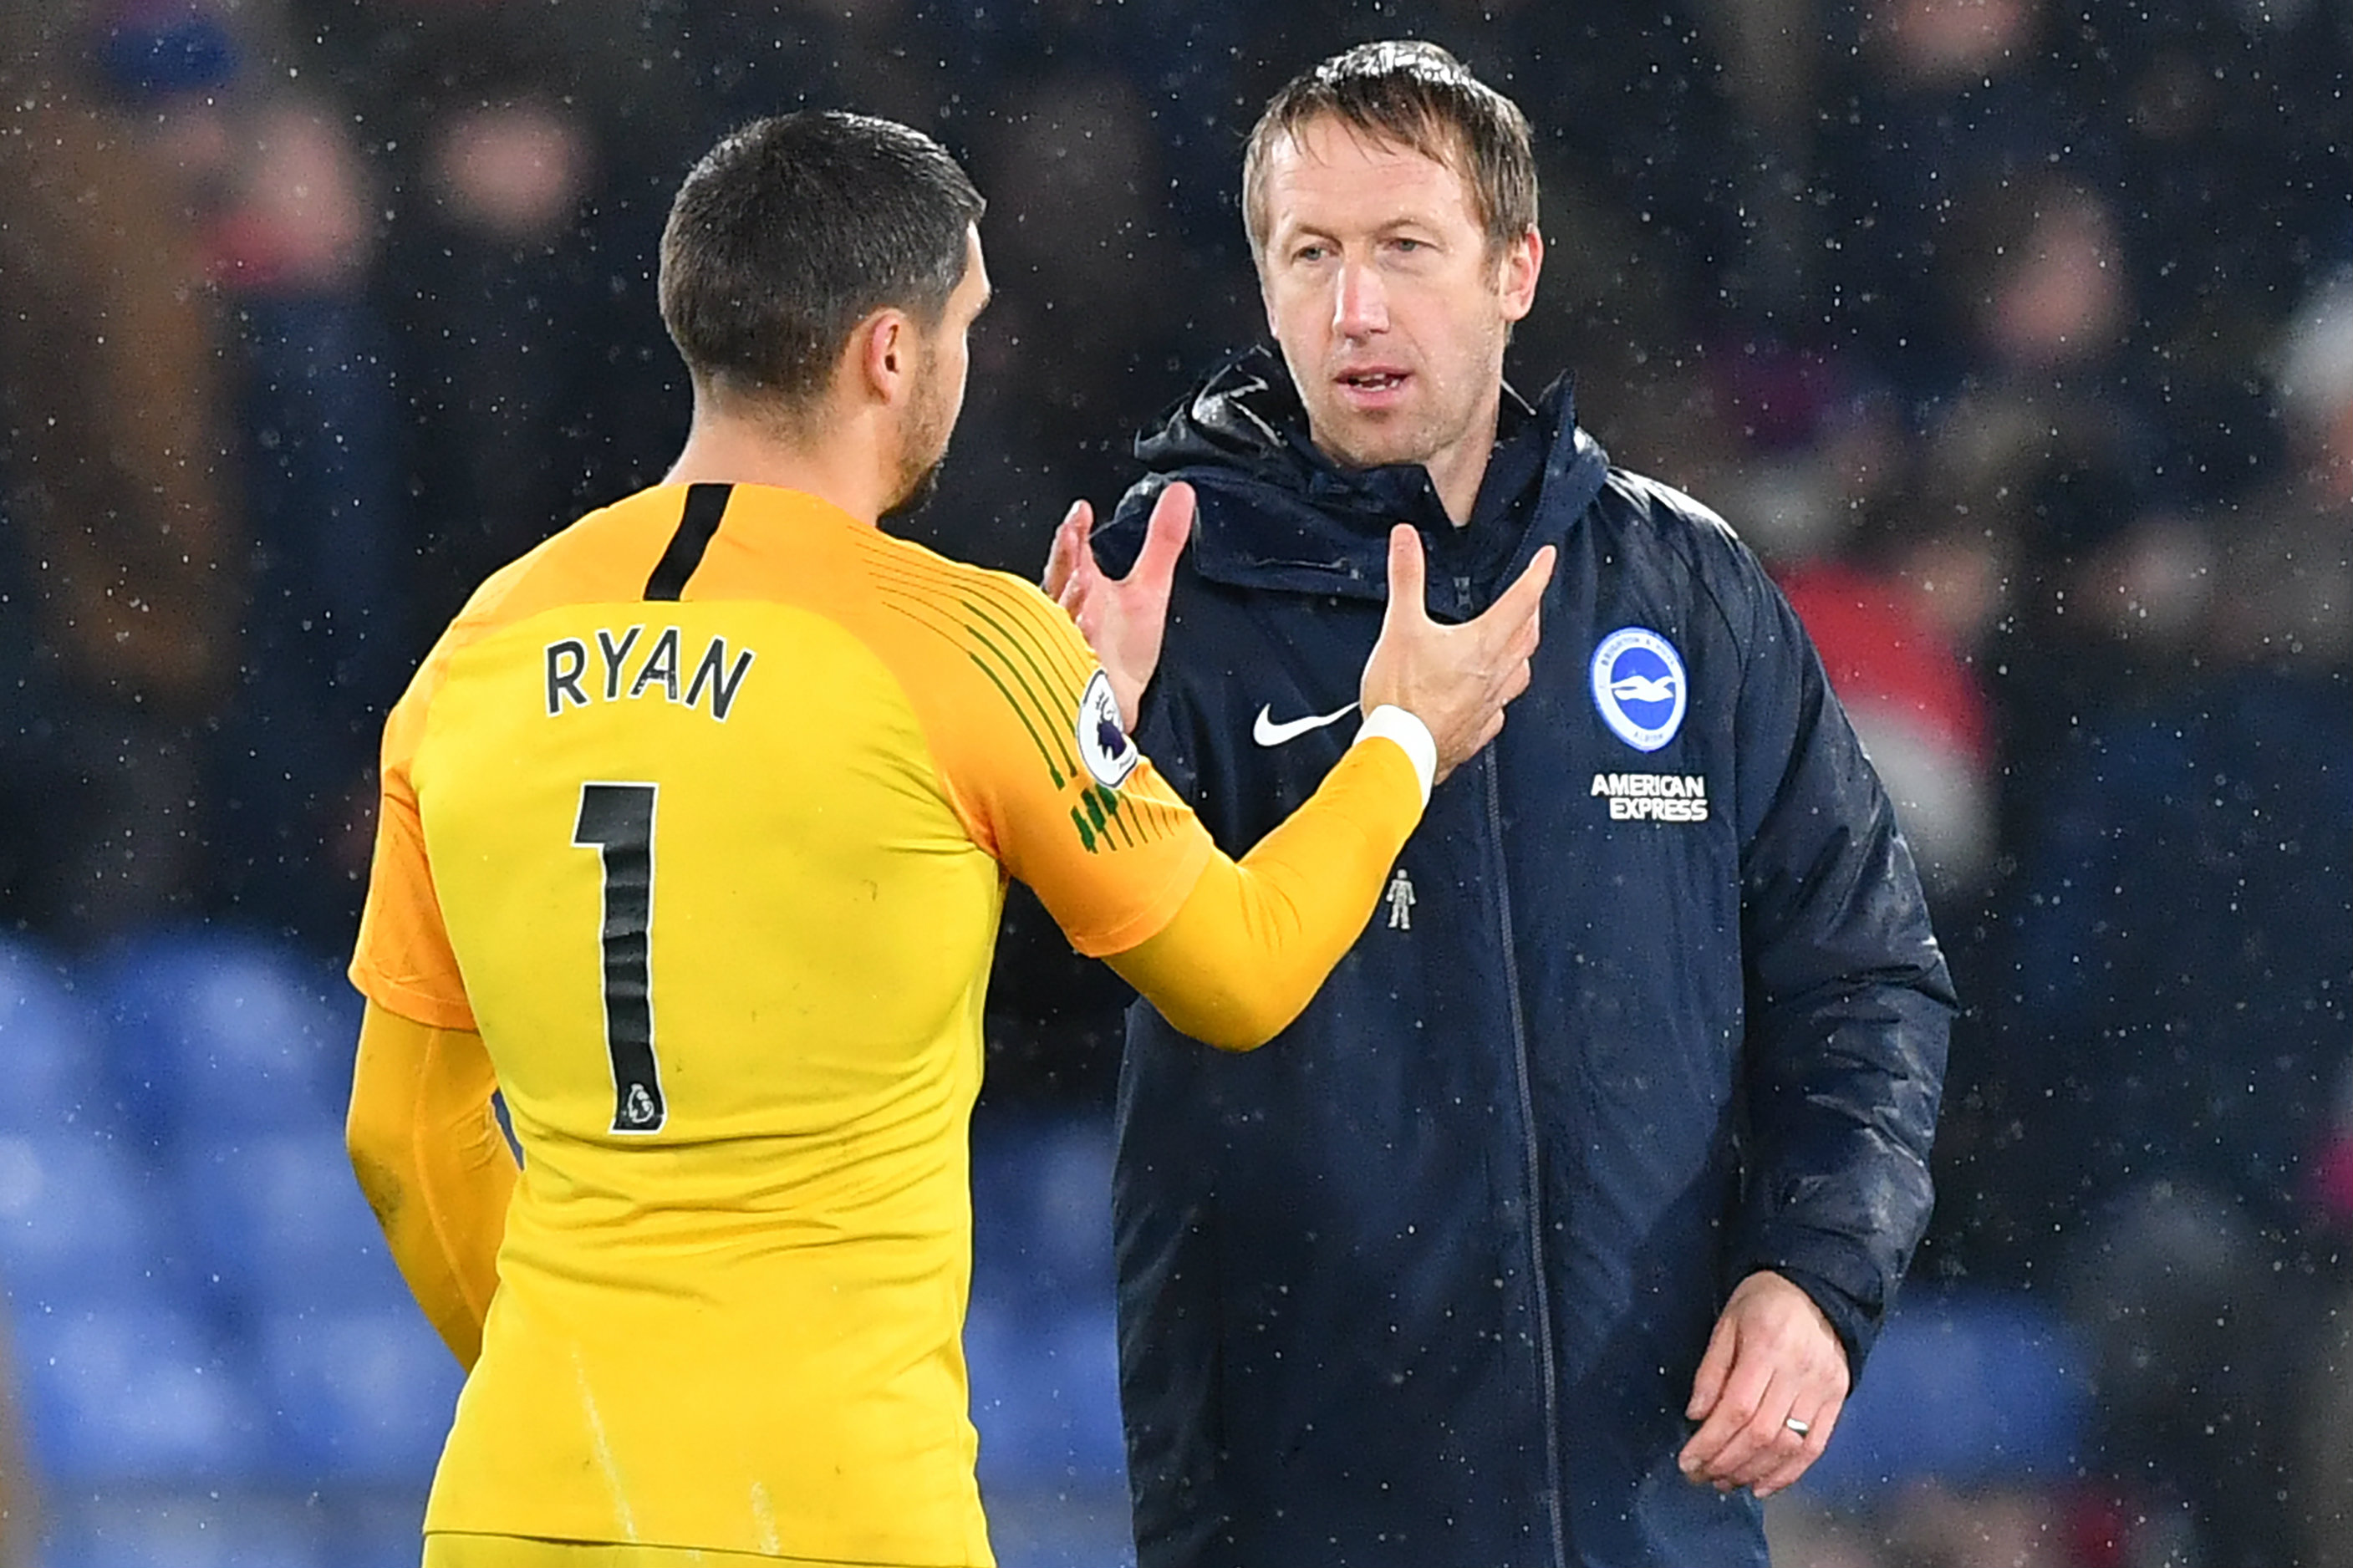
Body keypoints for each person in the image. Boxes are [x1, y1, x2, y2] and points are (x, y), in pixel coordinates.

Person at [341, 108, 1554, 1568]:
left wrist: (597, 1416)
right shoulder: (965, 646)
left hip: (521, 1505)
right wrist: (1403, 739)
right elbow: (1237, 972)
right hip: (836, 1509)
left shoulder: (478, 647)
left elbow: (404, 1137)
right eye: (966, 323)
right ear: (889, 354)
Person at [1046, 42, 1956, 1567]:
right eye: (1309, 255)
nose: (1354, 310)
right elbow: (1031, 1022)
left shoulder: (1684, 588)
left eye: (1405, 249)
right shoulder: (1161, 596)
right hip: (1302, 1512)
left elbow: (1863, 978)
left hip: (1649, 1503)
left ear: (1516, 267)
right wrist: (1080, 759)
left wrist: (1815, 1278)